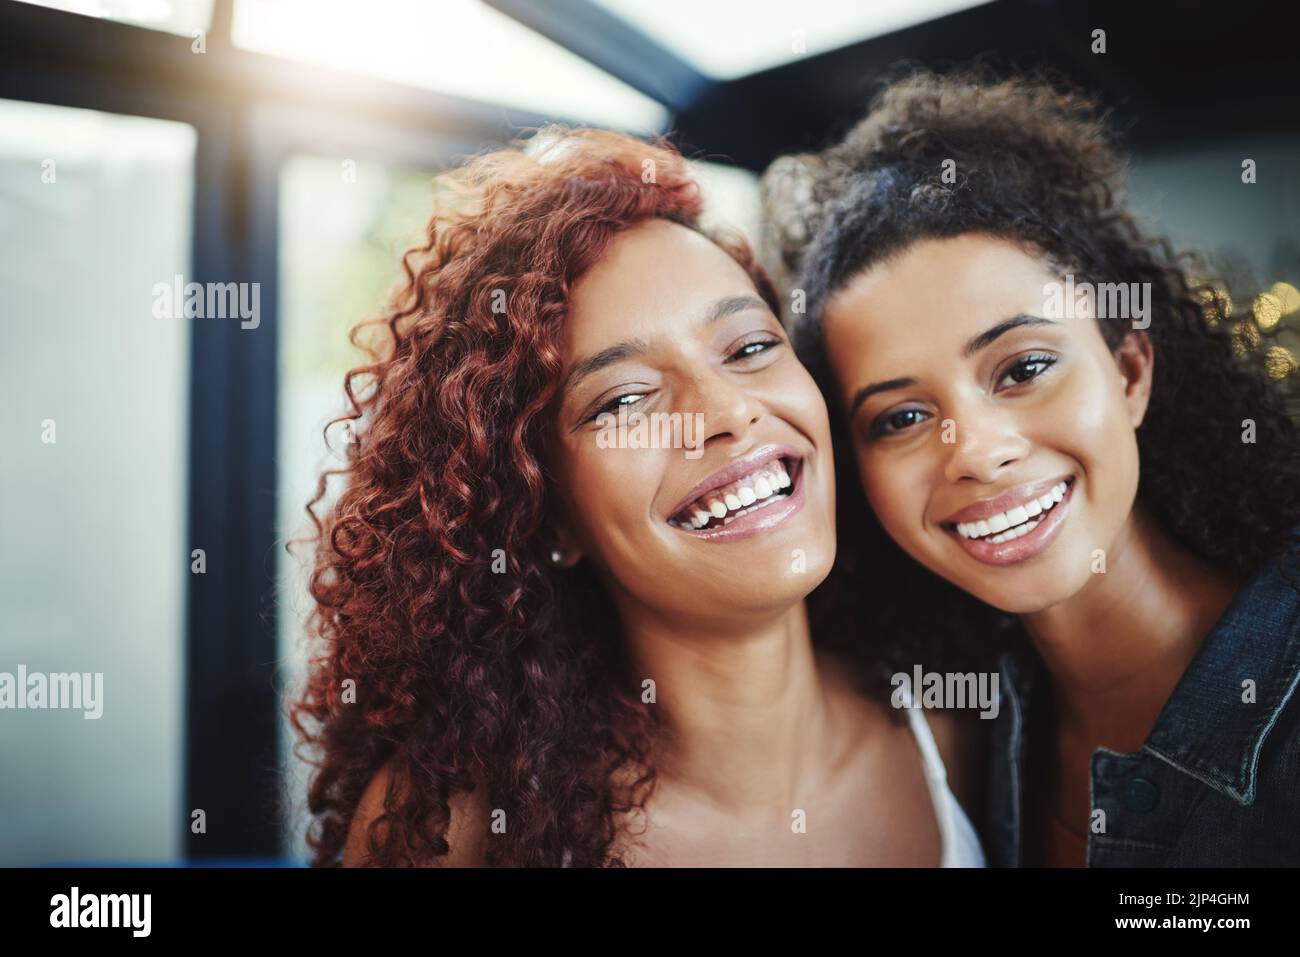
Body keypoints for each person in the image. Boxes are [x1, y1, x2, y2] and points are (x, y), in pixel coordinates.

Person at [288, 125, 987, 867]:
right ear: (544, 509)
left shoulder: (959, 731)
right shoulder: (451, 838)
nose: (726, 413)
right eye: (623, 400)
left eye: (750, 347)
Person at [761, 69, 1300, 866]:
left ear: (1129, 372)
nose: (976, 451)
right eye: (901, 418)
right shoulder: (966, 735)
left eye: (1023, 368)